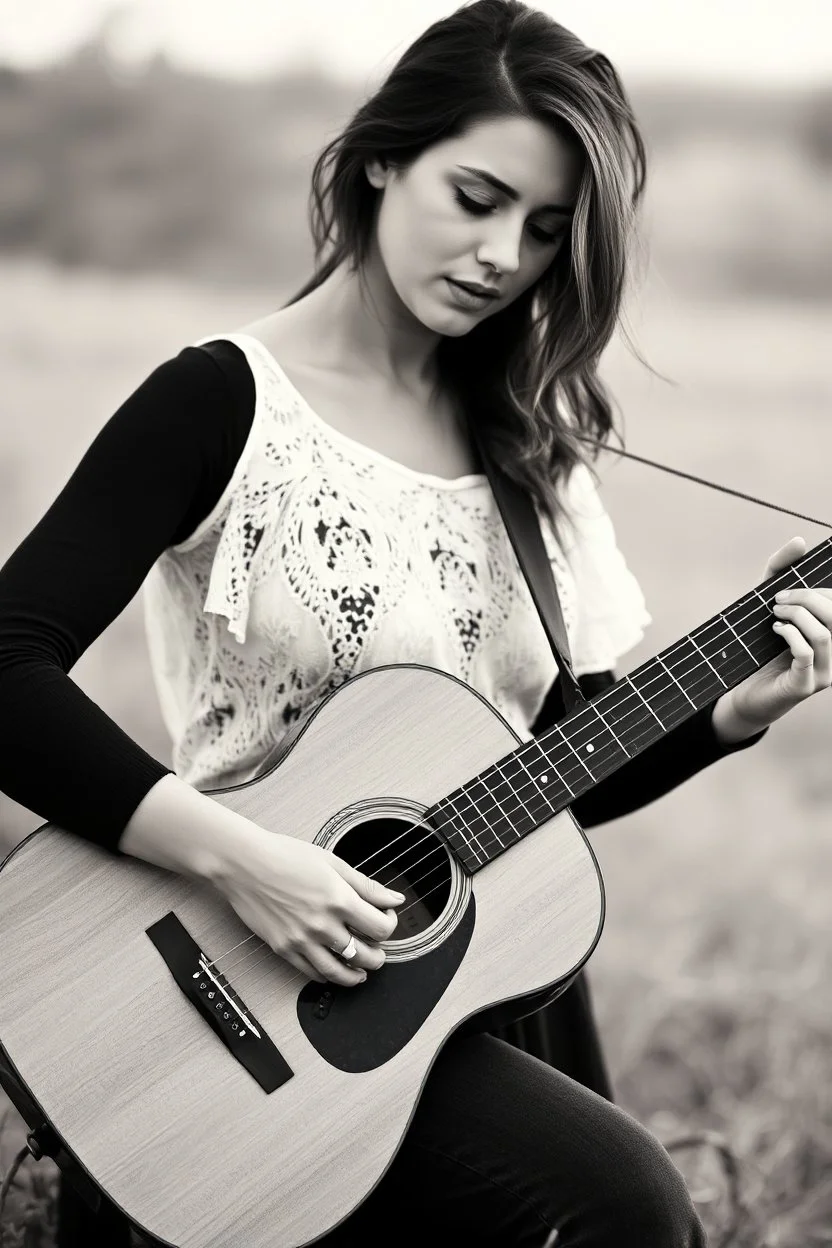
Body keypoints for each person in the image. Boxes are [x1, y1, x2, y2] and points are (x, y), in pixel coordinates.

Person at [0, 1, 829, 1244]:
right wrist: (242, 859)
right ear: (383, 155)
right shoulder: (220, 403)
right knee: (625, 1202)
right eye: (477, 196)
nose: (503, 253)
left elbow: (547, 771)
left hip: (464, 987)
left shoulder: (526, 443)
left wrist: (723, 711)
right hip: (220, 972)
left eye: (545, 230)